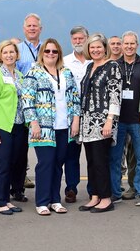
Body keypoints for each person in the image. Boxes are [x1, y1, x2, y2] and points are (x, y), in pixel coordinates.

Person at [22, 38, 81, 215]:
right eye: (47, 51)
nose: (50, 54)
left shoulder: (66, 73)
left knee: (58, 164)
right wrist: (34, 123)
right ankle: (42, 201)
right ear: (42, 54)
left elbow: (74, 98)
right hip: (44, 128)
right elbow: (27, 100)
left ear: (59, 54)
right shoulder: (34, 73)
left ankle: (55, 200)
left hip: (64, 126)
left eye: (54, 51)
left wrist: (76, 120)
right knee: (45, 164)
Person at [78, 35, 122, 214]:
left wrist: (110, 121)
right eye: (92, 47)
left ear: (105, 48)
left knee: (101, 161)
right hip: (88, 123)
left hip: (103, 122)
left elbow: (115, 95)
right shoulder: (89, 66)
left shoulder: (112, 67)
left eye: (98, 47)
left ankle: (105, 198)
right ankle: (94, 195)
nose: (95, 50)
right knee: (91, 161)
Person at [0, 40, 27, 215]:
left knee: (14, 163)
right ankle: (0, 201)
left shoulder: (19, 75)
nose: (9, 55)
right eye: (5, 52)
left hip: (18, 126)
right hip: (1, 126)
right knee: (2, 164)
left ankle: (7, 200)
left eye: (12, 52)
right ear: (0, 55)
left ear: (17, 54)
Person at [110, 31, 140, 206]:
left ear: (137, 45)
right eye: (125, 44)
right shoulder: (114, 65)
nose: (128, 46)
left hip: (138, 119)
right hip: (119, 120)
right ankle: (115, 191)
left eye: (132, 43)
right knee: (115, 157)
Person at [62, 26, 91, 202]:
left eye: (81, 38)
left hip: (91, 114)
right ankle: (71, 188)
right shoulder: (64, 62)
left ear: (87, 39)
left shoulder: (94, 60)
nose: (78, 41)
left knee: (92, 155)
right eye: (75, 39)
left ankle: (93, 189)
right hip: (70, 114)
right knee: (71, 155)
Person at [17, 13, 43, 191]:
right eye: (29, 26)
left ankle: (44, 182)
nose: (32, 28)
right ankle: (19, 182)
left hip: (42, 105)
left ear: (40, 29)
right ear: (24, 29)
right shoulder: (17, 49)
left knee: (43, 144)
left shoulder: (47, 48)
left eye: (35, 26)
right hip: (21, 105)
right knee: (20, 149)